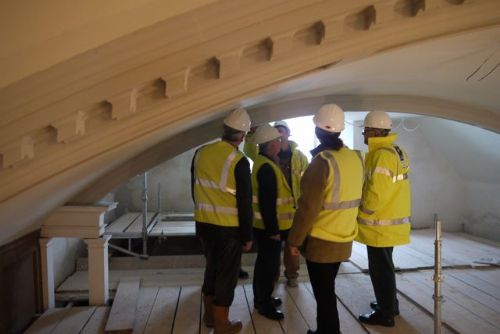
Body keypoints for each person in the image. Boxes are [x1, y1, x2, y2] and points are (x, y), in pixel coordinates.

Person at [287, 104, 364, 334]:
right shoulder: (355, 158)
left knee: (324, 294)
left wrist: (294, 241)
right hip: (344, 238)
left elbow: (308, 208)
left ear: (318, 131)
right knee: (327, 290)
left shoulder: (322, 161)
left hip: (321, 242)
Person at [191, 108, 253, 334]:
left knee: (211, 269)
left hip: (204, 224)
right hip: (229, 230)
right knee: (227, 275)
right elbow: (245, 203)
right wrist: (247, 236)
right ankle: (221, 325)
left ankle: (209, 317)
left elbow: (194, 188)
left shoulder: (200, 152)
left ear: (224, 130)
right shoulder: (239, 161)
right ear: (243, 137)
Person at [356, 110, 411, 327]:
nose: (364, 134)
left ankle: (385, 313)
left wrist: (360, 214)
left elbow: (375, 194)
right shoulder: (397, 150)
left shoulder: (381, 155)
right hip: (392, 220)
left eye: (366, 130)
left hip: (380, 224)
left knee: (380, 270)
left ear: (378, 131)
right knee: (385, 267)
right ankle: (390, 304)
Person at [244, 120, 309, 287]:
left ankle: (292, 274)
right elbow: (251, 149)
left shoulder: (299, 157)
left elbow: (307, 180)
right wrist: (252, 134)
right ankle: (271, 279)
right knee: (271, 256)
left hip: (294, 211)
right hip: (274, 216)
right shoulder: (267, 158)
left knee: (292, 247)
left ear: (288, 134)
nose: (279, 134)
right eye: (276, 131)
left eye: (282, 131)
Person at [251, 124, 294, 320]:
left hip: (265, 227)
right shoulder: (267, 167)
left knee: (264, 264)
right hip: (269, 229)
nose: (280, 143)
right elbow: (267, 203)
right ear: (271, 145)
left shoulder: (264, 162)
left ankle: (262, 297)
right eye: (278, 140)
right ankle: (264, 304)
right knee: (268, 267)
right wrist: (273, 230)